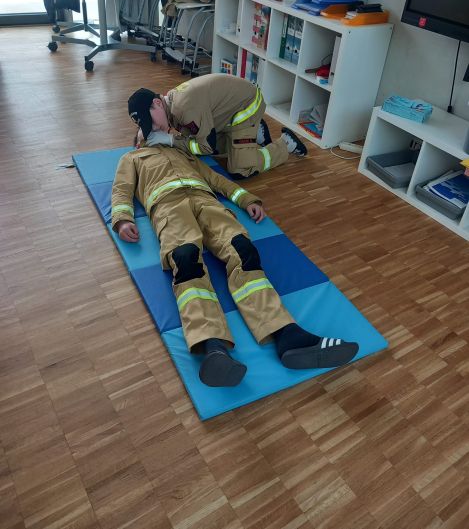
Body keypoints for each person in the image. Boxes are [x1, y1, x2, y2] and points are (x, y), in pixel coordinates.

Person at [111, 131, 358, 387]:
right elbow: (121, 189)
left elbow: (216, 179)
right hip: (169, 208)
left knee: (243, 250)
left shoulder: (183, 153)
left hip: (207, 202)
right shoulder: (132, 158)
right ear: (138, 142)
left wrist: (246, 199)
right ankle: (212, 345)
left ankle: (287, 334)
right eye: (146, 129)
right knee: (186, 260)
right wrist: (122, 219)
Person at [127, 74, 308, 179]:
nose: (154, 128)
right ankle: (254, 133)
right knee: (208, 147)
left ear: (158, 103)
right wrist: (145, 132)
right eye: (148, 126)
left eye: (151, 123)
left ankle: (285, 144)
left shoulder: (184, 108)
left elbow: (206, 147)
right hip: (229, 109)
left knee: (239, 170)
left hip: (247, 106)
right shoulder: (170, 104)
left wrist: (170, 140)